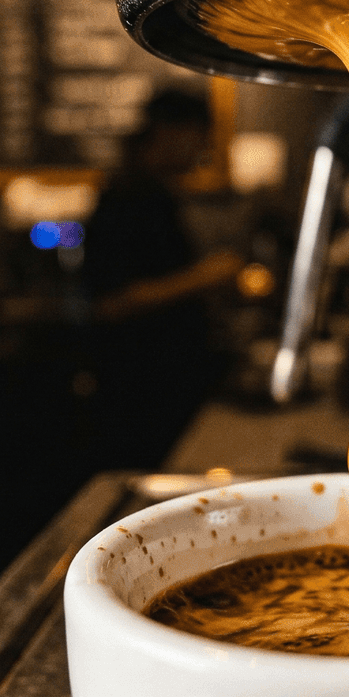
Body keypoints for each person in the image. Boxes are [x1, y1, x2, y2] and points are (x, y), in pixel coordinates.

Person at [83, 88, 242, 469]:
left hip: (159, 384)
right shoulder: (128, 196)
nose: (202, 150)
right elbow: (111, 302)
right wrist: (205, 276)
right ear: (171, 132)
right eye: (199, 137)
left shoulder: (154, 192)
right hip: (141, 389)